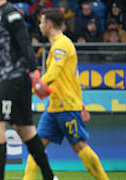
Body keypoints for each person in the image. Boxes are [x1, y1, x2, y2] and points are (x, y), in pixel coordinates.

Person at [22, 8, 110, 180]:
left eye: (41, 22)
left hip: (66, 106)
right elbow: (70, 78)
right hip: (54, 106)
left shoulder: (62, 44)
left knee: (79, 145)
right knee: (37, 147)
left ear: (48, 24)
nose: (39, 26)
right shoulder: (57, 44)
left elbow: (55, 73)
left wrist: (34, 87)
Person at [0, 0, 56, 180]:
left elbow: (25, 43)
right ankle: (49, 177)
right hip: (11, 79)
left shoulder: (11, 13)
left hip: (14, 79)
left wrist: (34, 73)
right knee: (25, 129)